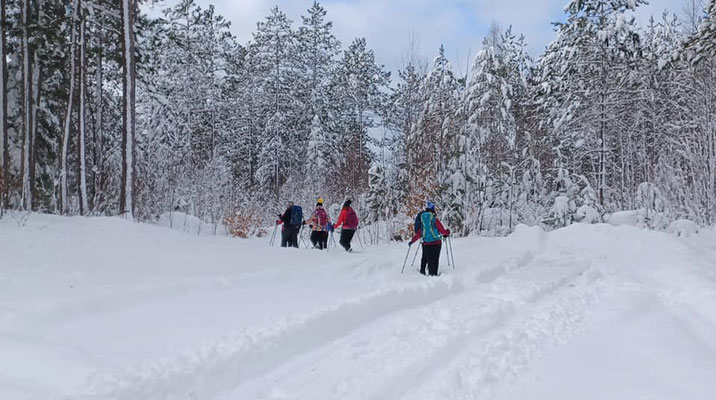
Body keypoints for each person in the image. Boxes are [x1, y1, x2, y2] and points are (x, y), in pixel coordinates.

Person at [409, 201, 450, 276]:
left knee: (425, 258)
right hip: (436, 243)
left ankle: (422, 274)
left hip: (426, 244)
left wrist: (412, 241)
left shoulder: (423, 221)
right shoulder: (434, 220)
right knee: (434, 260)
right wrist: (447, 232)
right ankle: (433, 276)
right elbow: (442, 231)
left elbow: (419, 233)